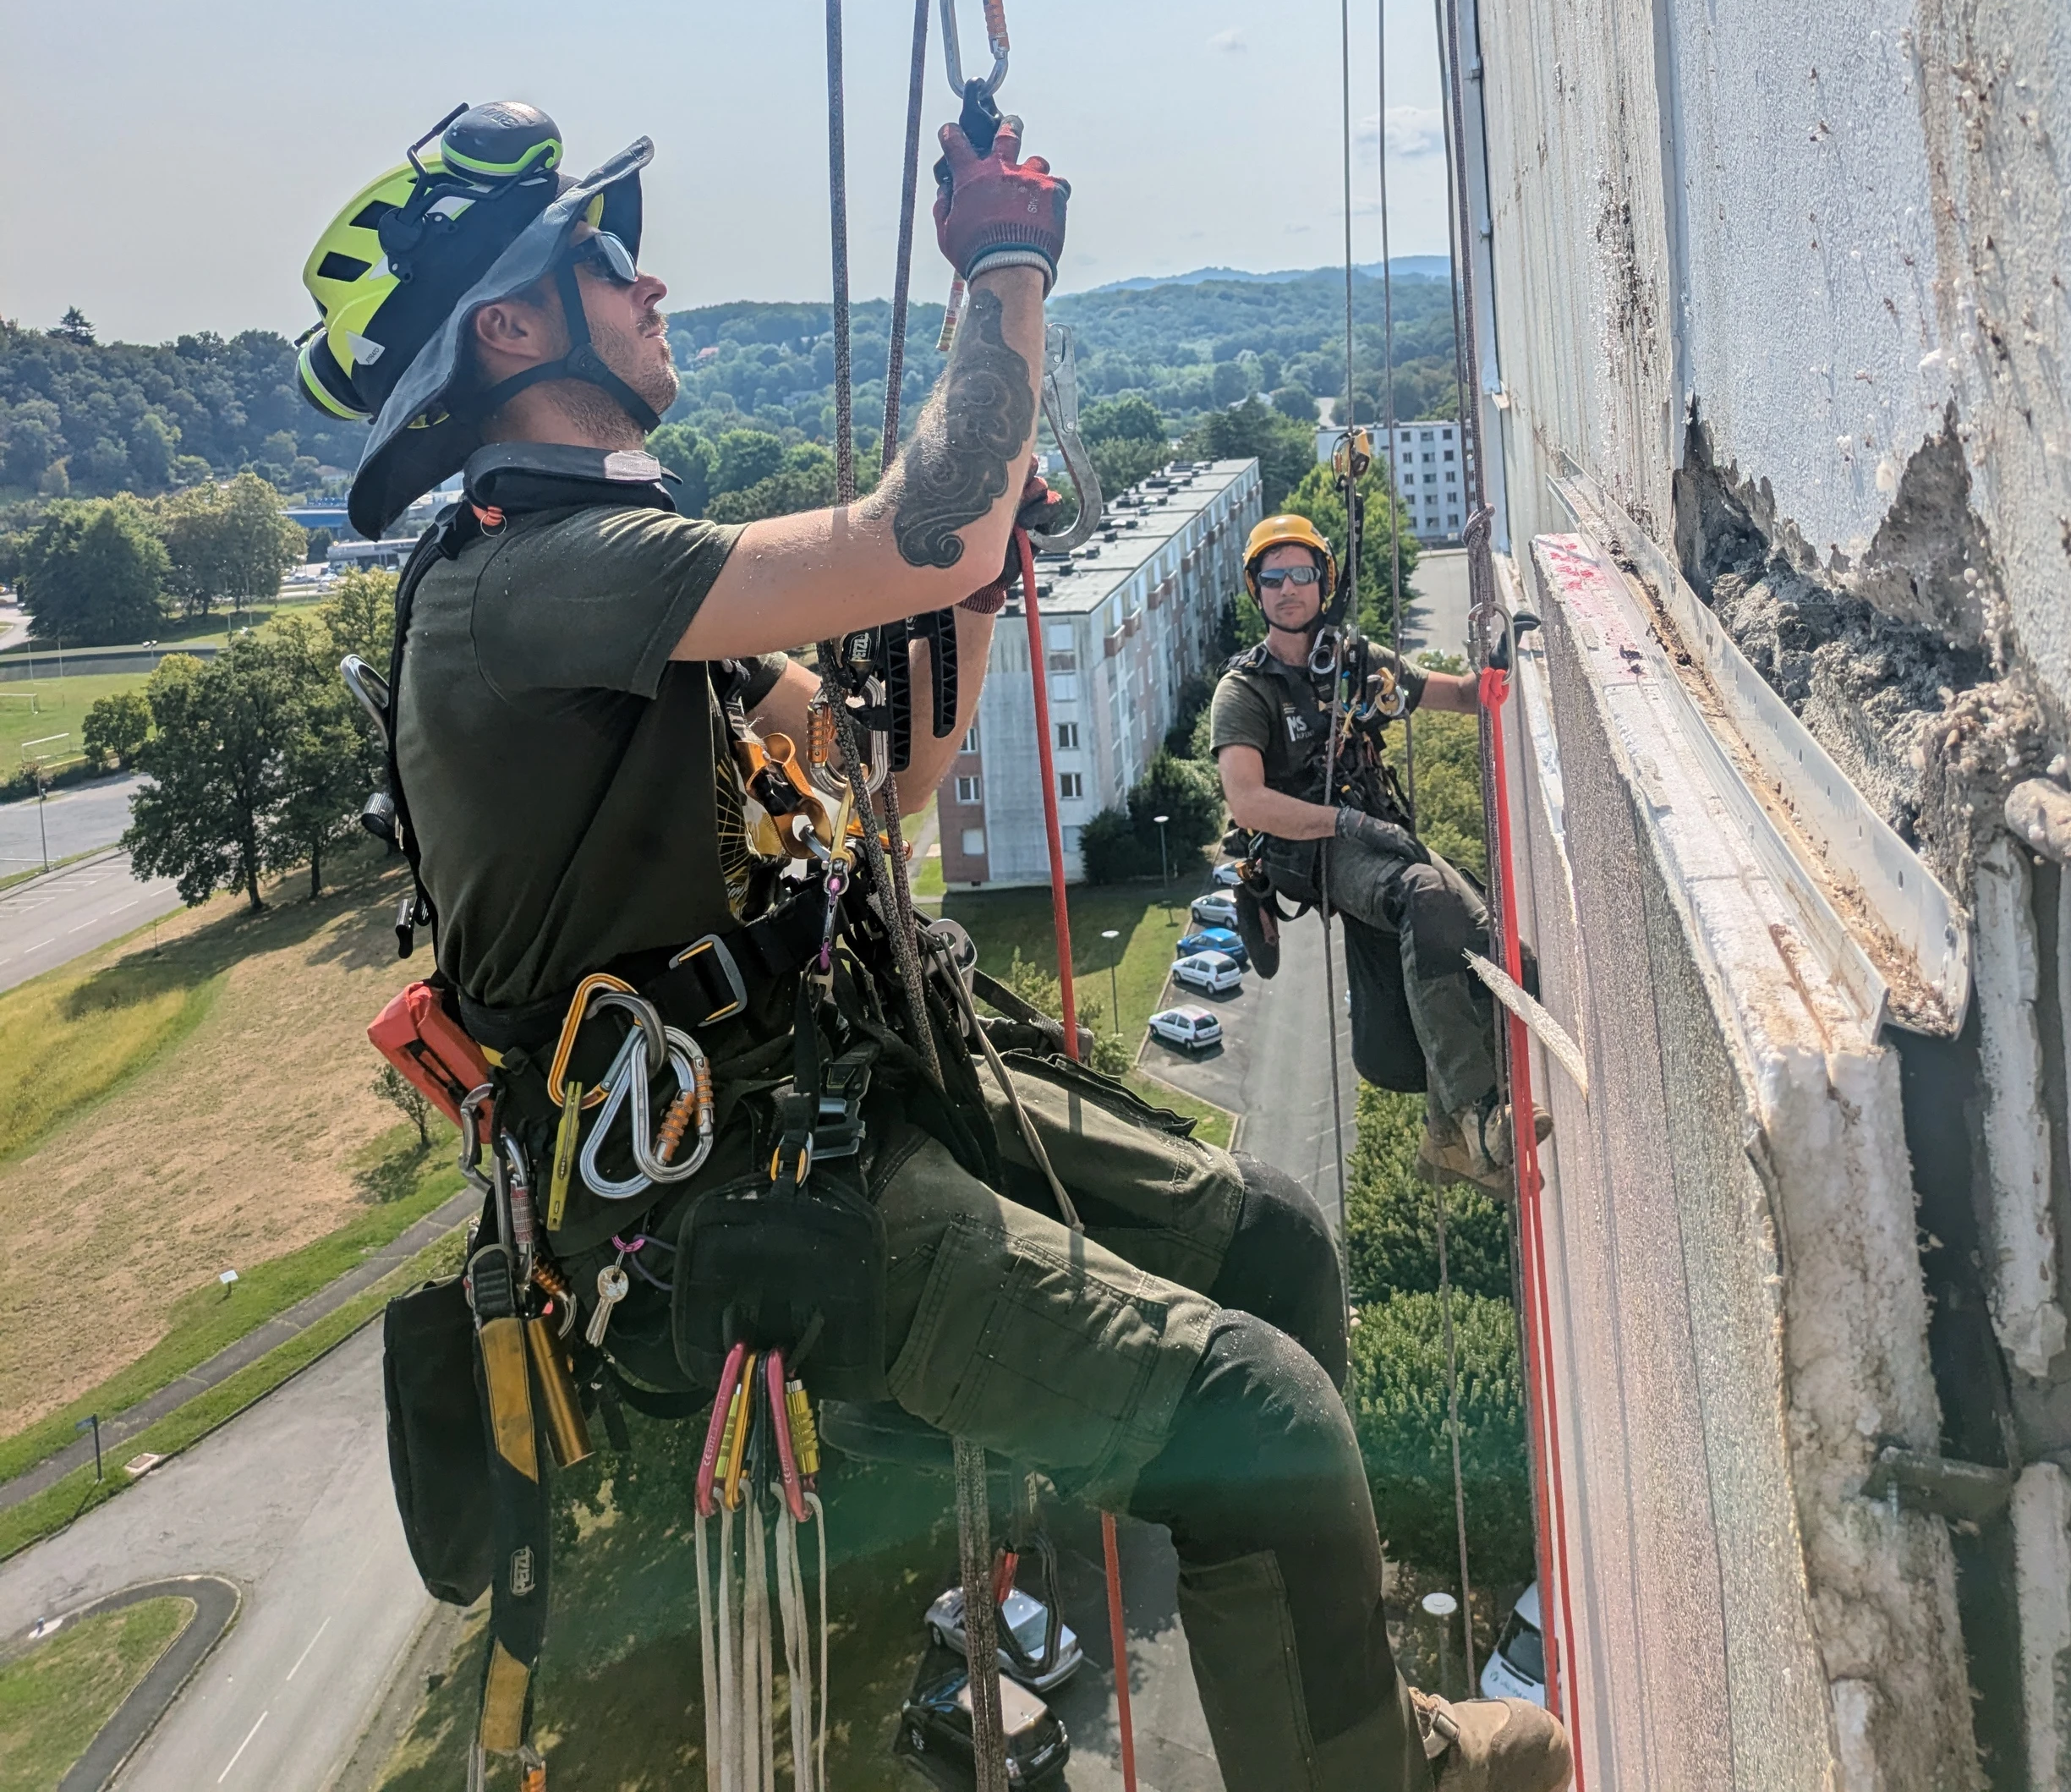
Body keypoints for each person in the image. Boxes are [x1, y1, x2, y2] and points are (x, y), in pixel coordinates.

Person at [299, 101, 1570, 1792]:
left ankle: (1315, 1695)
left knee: (1270, 1242)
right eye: (606, 253)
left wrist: (977, 582)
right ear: (511, 326)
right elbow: (919, 519)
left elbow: (888, 765)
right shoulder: (527, 579)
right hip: (738, 1205)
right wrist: (1001, 268)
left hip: (834, 1100)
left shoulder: (617, 593)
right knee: (1256, 1414)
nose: (650, 273)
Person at [1212, 514, 1547, 1194]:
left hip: (1378, 827)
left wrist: (1498, 669)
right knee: (1422, 894)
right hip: (1315, 850)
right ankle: (1480, 1116)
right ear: (1257, 591)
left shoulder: (1358, 662)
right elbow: (1248, 801)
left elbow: (1448, 694)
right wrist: (1344, 821)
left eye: (1300, 574)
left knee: (1509, 964)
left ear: (1322, 581)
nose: (1287, 590)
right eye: (1271, 578)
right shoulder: (1245, 691)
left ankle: (1445, 1138)